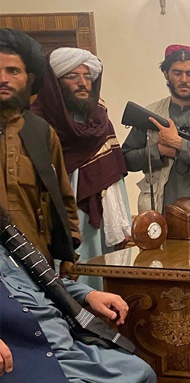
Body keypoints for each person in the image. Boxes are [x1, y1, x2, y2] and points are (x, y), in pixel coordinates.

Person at [0, 204, 156, 383]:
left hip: (69, 347)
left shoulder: (10, 243)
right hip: (29, 359)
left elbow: (49, 281)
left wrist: (89, 294)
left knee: (142, 374)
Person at [31, 47, 132, 290]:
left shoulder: (100, 121)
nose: (83, 83)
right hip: (57, 219)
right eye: (72, 76)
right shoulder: (36, 123)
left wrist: (124, 222)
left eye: (87, 77)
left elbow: (115, 174)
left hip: (99, 220)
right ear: (54, 82)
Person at [122, 44, 190, 220]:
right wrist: (159, 150)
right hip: (159, 212)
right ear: (166, 74)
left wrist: (179, 145)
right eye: (177, 73)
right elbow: (126, 160)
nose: (184, 79)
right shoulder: (150, 114)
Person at [0, 29, 81, 269]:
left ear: (30, 79)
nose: (3, 78)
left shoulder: (42, 132)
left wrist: (68, 252)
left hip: (34, 260)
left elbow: (62, 196)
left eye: (13, 71)